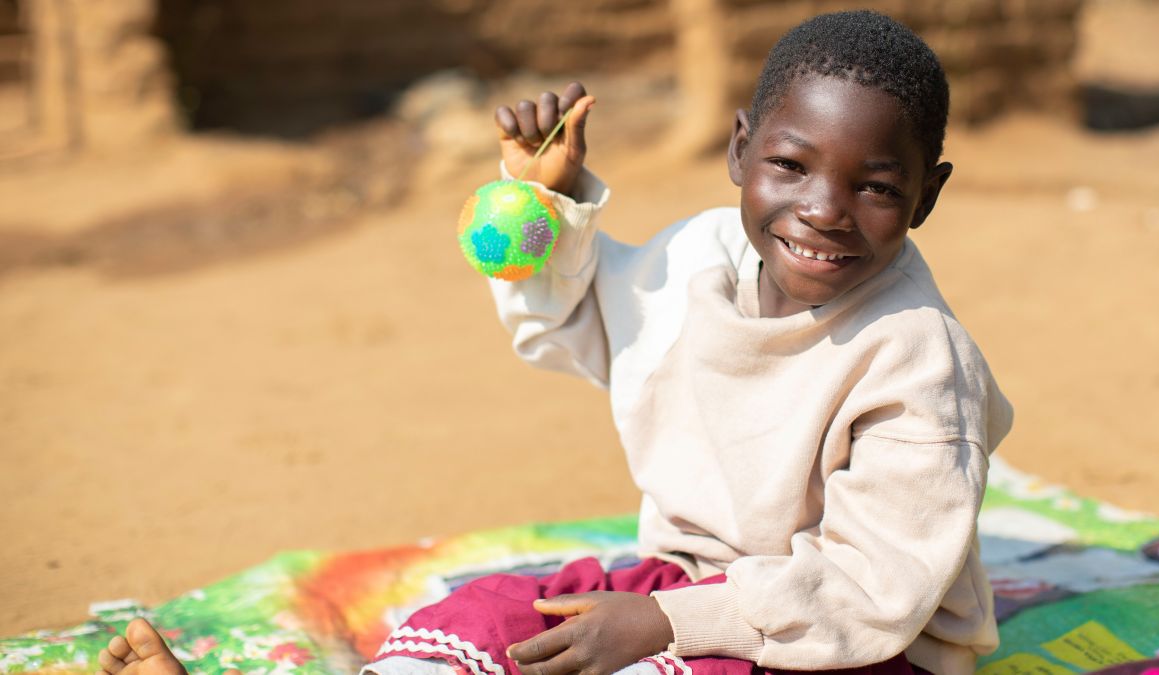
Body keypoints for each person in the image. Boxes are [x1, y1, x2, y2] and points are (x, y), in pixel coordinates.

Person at [96, 9, 1011, 675]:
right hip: (686, 583)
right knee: (485, 616)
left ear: (926, 197)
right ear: (740, 150)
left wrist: (661, 626)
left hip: (846, 647)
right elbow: (582, 326)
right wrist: (550, 207)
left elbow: (869, 591)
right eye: (790, 165)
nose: (822, 209)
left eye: (876, 187)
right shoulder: (701, 258)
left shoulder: (917, 359)